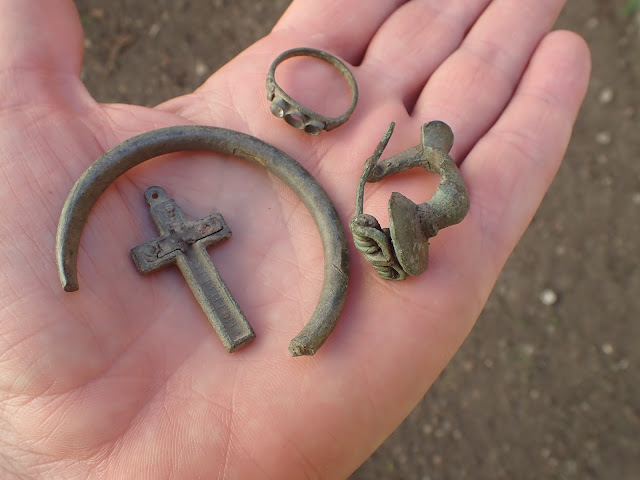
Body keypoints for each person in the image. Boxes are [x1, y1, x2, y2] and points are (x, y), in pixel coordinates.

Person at [0, 0, 590, 478]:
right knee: (371, 225)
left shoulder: (446, 173)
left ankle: (384, 257)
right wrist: (375, 170)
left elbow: (410, 173)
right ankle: (383, 254)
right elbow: (399, 167)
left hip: (416, 216)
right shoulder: (431, 160)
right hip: (401, 212)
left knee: (374, 228)